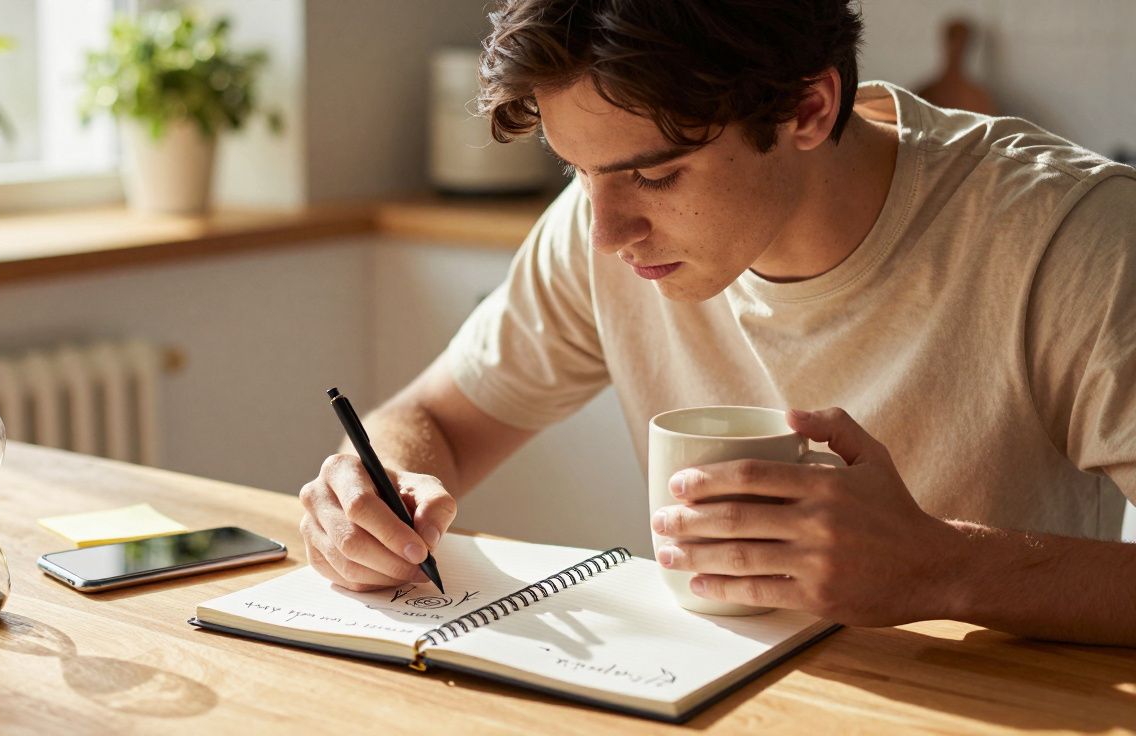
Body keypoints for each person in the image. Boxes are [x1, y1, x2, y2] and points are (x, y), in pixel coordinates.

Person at [298, 0, 1136, 645]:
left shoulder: (1075, 238)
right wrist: (372, 491)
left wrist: (944, 568)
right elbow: (435, 418)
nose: (605, 234)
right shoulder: (595, 227)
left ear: (808, 108)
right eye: (576, 169)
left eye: (656, 175)